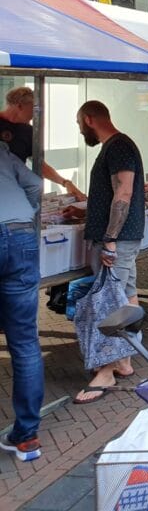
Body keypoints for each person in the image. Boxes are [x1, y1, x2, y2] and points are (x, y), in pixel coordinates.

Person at [69, 101, 148, 403]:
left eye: (79, 122)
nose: (79, 128)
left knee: (108, 301)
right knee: (125, 294)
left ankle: (106, 370)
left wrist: (110, 239)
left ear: (89, 119)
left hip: (117, 239)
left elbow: (124, 191)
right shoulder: (118, 145)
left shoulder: (118, 146)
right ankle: (125, 359)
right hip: (120, 238)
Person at [0, 141, 43, 460]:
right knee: (26, 341)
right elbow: (36, 184)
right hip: (22, 232)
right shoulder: (3, 154)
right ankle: (27, 437)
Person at [0, 86, 85, 199]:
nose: (35, 115)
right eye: (33, 109)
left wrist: (65, 182)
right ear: (20, 106)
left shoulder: (28, 131)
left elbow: (40, 165)